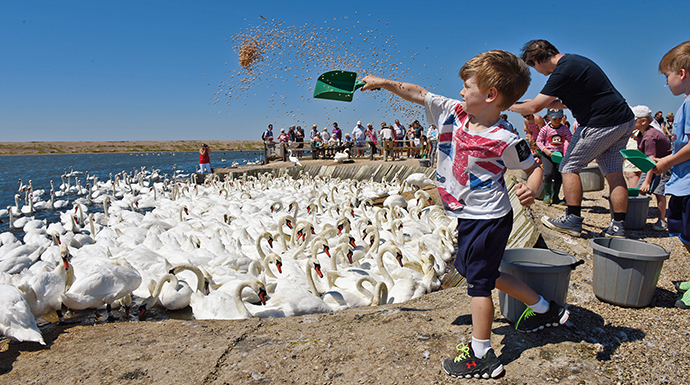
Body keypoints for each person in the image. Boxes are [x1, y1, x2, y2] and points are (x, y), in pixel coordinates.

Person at [363, 49, 569, 380]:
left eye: (467, 85)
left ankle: (482, 354)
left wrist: (532, 187)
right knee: (479, 272)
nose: (460, 91)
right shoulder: (452, 112)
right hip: (468, 216)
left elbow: (535, 168)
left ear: (490, 95)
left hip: (488, 218)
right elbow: (418, 93)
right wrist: (384, 83)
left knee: (478, 286)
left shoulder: (506, 139)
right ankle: (545, 308)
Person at [511, 39, 635, 238]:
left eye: (532, 66)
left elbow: (534, 108)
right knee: (613, 172)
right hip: (623, 120)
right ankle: (618, 226)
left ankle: (573, 220)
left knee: (569, 167)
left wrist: (507, 105)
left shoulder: (562, 71)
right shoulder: (574, 63)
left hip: (601, 122)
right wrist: (531, 103)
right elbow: (566, 104)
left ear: (536, 60)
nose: (536, 71)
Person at [654, 40, 690, 310]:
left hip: (688, 183)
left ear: (682, 73)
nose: (666, 83)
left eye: (667, 76)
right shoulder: (684, 104)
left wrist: (666, 161)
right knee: (682, 233)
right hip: (681, 182)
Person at [632, 105, 672, 231]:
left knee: (658, 192)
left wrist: (647, 181)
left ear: (643, 121)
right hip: (652, 165)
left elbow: (651, 160)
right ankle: (638, 217)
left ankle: (662, 220)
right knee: (640, 190)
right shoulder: (640, 134)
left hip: (663, 165)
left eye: (633, 120)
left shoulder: (650, 136)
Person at [537, 109, 572, 204]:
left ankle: (555, 196)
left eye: (559, 118)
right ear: (549, 118)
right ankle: (547, 194)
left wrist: (569, 151)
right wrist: (545, 150)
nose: (557, 120)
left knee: (558, 176)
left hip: (559, 156)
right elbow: (539, 141)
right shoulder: (545, 129)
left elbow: (571, 139)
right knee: (548, 173)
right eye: (554, 118)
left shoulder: (564, 129)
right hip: (547, 155)